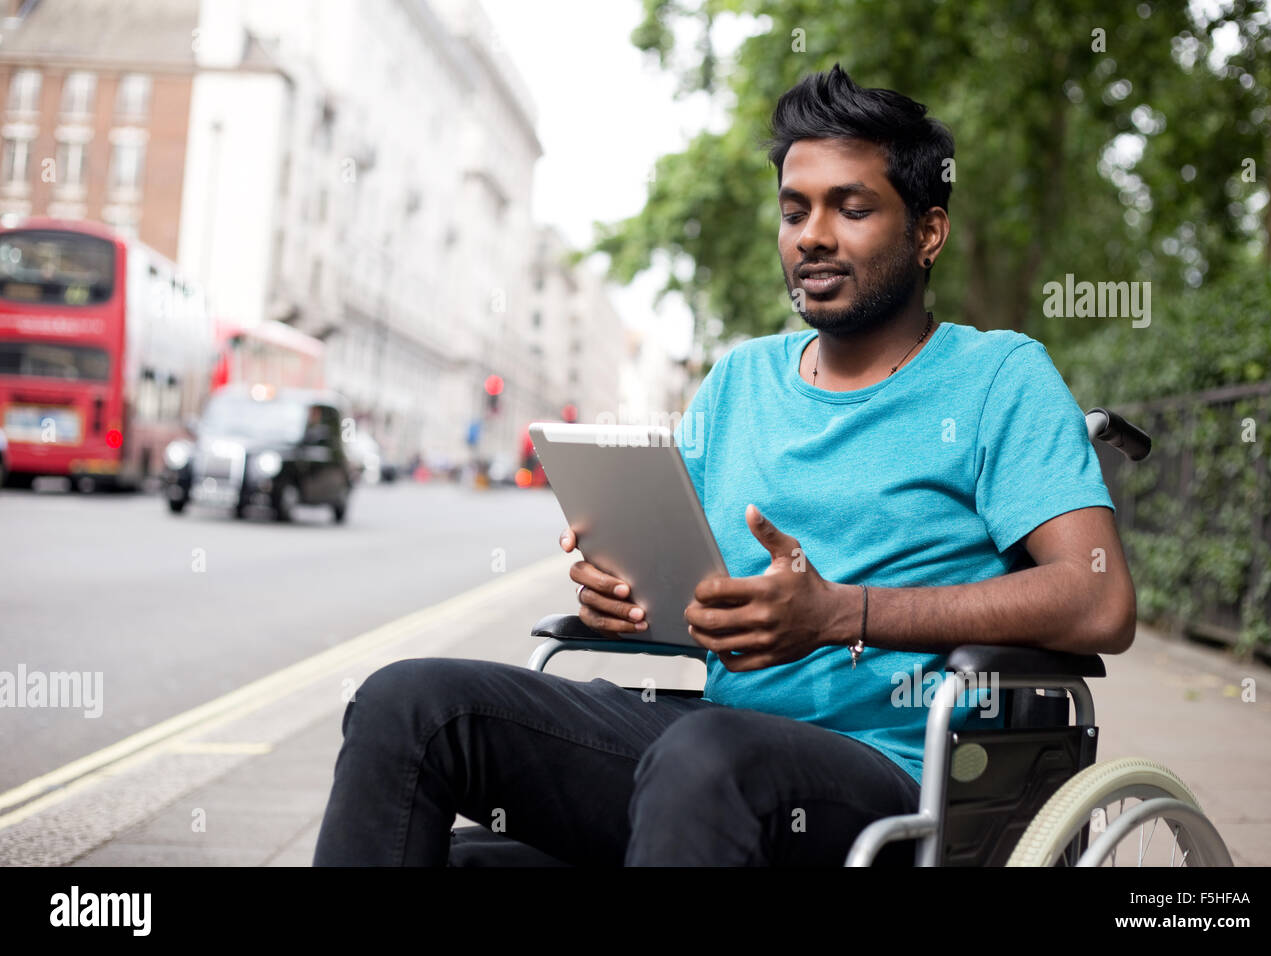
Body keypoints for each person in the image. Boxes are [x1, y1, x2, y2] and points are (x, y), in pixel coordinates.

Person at [312, 63, 1136, 867]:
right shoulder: (741, 378)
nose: (812, 234)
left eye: (852, 208)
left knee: (707, 758)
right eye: (795, 210)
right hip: (706, 756)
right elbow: (702, 599)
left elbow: (1097, 600)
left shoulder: (998, 376)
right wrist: (625, 601)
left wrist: (842, 613)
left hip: (898, 775)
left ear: (928, 232)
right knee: (407, 704)